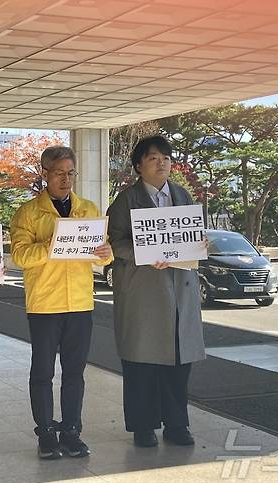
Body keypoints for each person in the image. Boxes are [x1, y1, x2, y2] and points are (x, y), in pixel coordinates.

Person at [10, 146, 112, 459]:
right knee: (42, 373)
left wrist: (107, 254)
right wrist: (52, 245)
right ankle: (45, 434)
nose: (65, 179)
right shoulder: (28, 212)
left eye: (70, 173)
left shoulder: (88, 208)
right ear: (44, 174)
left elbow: (100, 250)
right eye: (58, 173)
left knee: (74, 373)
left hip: (81, 303)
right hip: (44, 305)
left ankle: (71, 431)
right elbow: (20, 256)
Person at [107, 135, 206, 448]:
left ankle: (177, 425)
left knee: (178, 364)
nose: (161, 162)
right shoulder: (126, 200)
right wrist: (146, 255)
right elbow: (114, 242)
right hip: (143, 294)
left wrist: (199, 245)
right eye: (152, 157)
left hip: (180, 294)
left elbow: (193, 235)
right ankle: (143, 427)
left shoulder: (182, 194)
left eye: (165, 156)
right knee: (142, 364)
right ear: (138, 166)